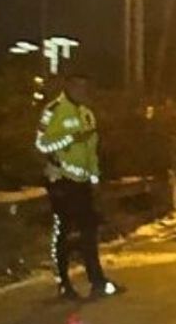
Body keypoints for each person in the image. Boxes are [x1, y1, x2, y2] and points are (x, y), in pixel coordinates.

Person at [35, 74, 121, 300]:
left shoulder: (87, 114)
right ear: (69, 87)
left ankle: (97, 280)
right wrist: (69, 138)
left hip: (82, 182)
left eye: (85, 88)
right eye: (78, 87)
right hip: (61, 180)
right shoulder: (53, 110)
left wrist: (95, 178)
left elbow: (92, 151)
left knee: (89, 230)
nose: (83, 92)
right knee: (63, 230)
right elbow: (41, 144)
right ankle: (64, 283)